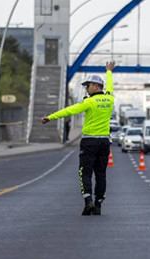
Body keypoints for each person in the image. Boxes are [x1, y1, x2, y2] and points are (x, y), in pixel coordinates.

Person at [41, 61, 115, 215]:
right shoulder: (110, 99)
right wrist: (109, 71)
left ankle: (88, 200)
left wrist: (50, 117)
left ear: (95, 86)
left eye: (87, 85)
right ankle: (99, 204)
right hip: (104, 142)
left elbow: (69, 111)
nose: (86, 89)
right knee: (101, 173)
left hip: (89, 142)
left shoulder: (89, 102)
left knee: (85, 172)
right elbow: (110, 86)